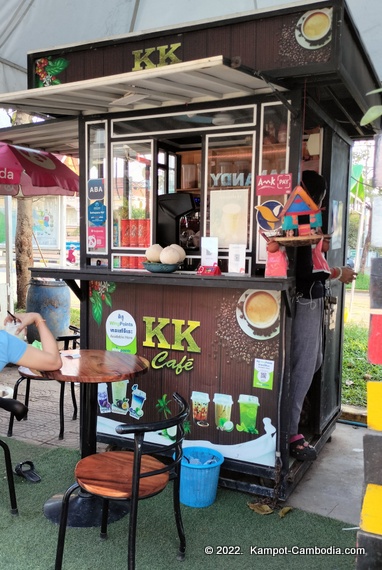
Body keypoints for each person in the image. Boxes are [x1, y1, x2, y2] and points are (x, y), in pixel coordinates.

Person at [268, 170, 357, 461]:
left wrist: (321, 248)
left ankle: (292, 422)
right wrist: (337, 273)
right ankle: (290, 433)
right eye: (317, 197)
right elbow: (305, 273)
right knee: (303, 366)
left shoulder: (304, 219)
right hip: (305, 298)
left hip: (312, 299)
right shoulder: (299, 218)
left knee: (313, 361)